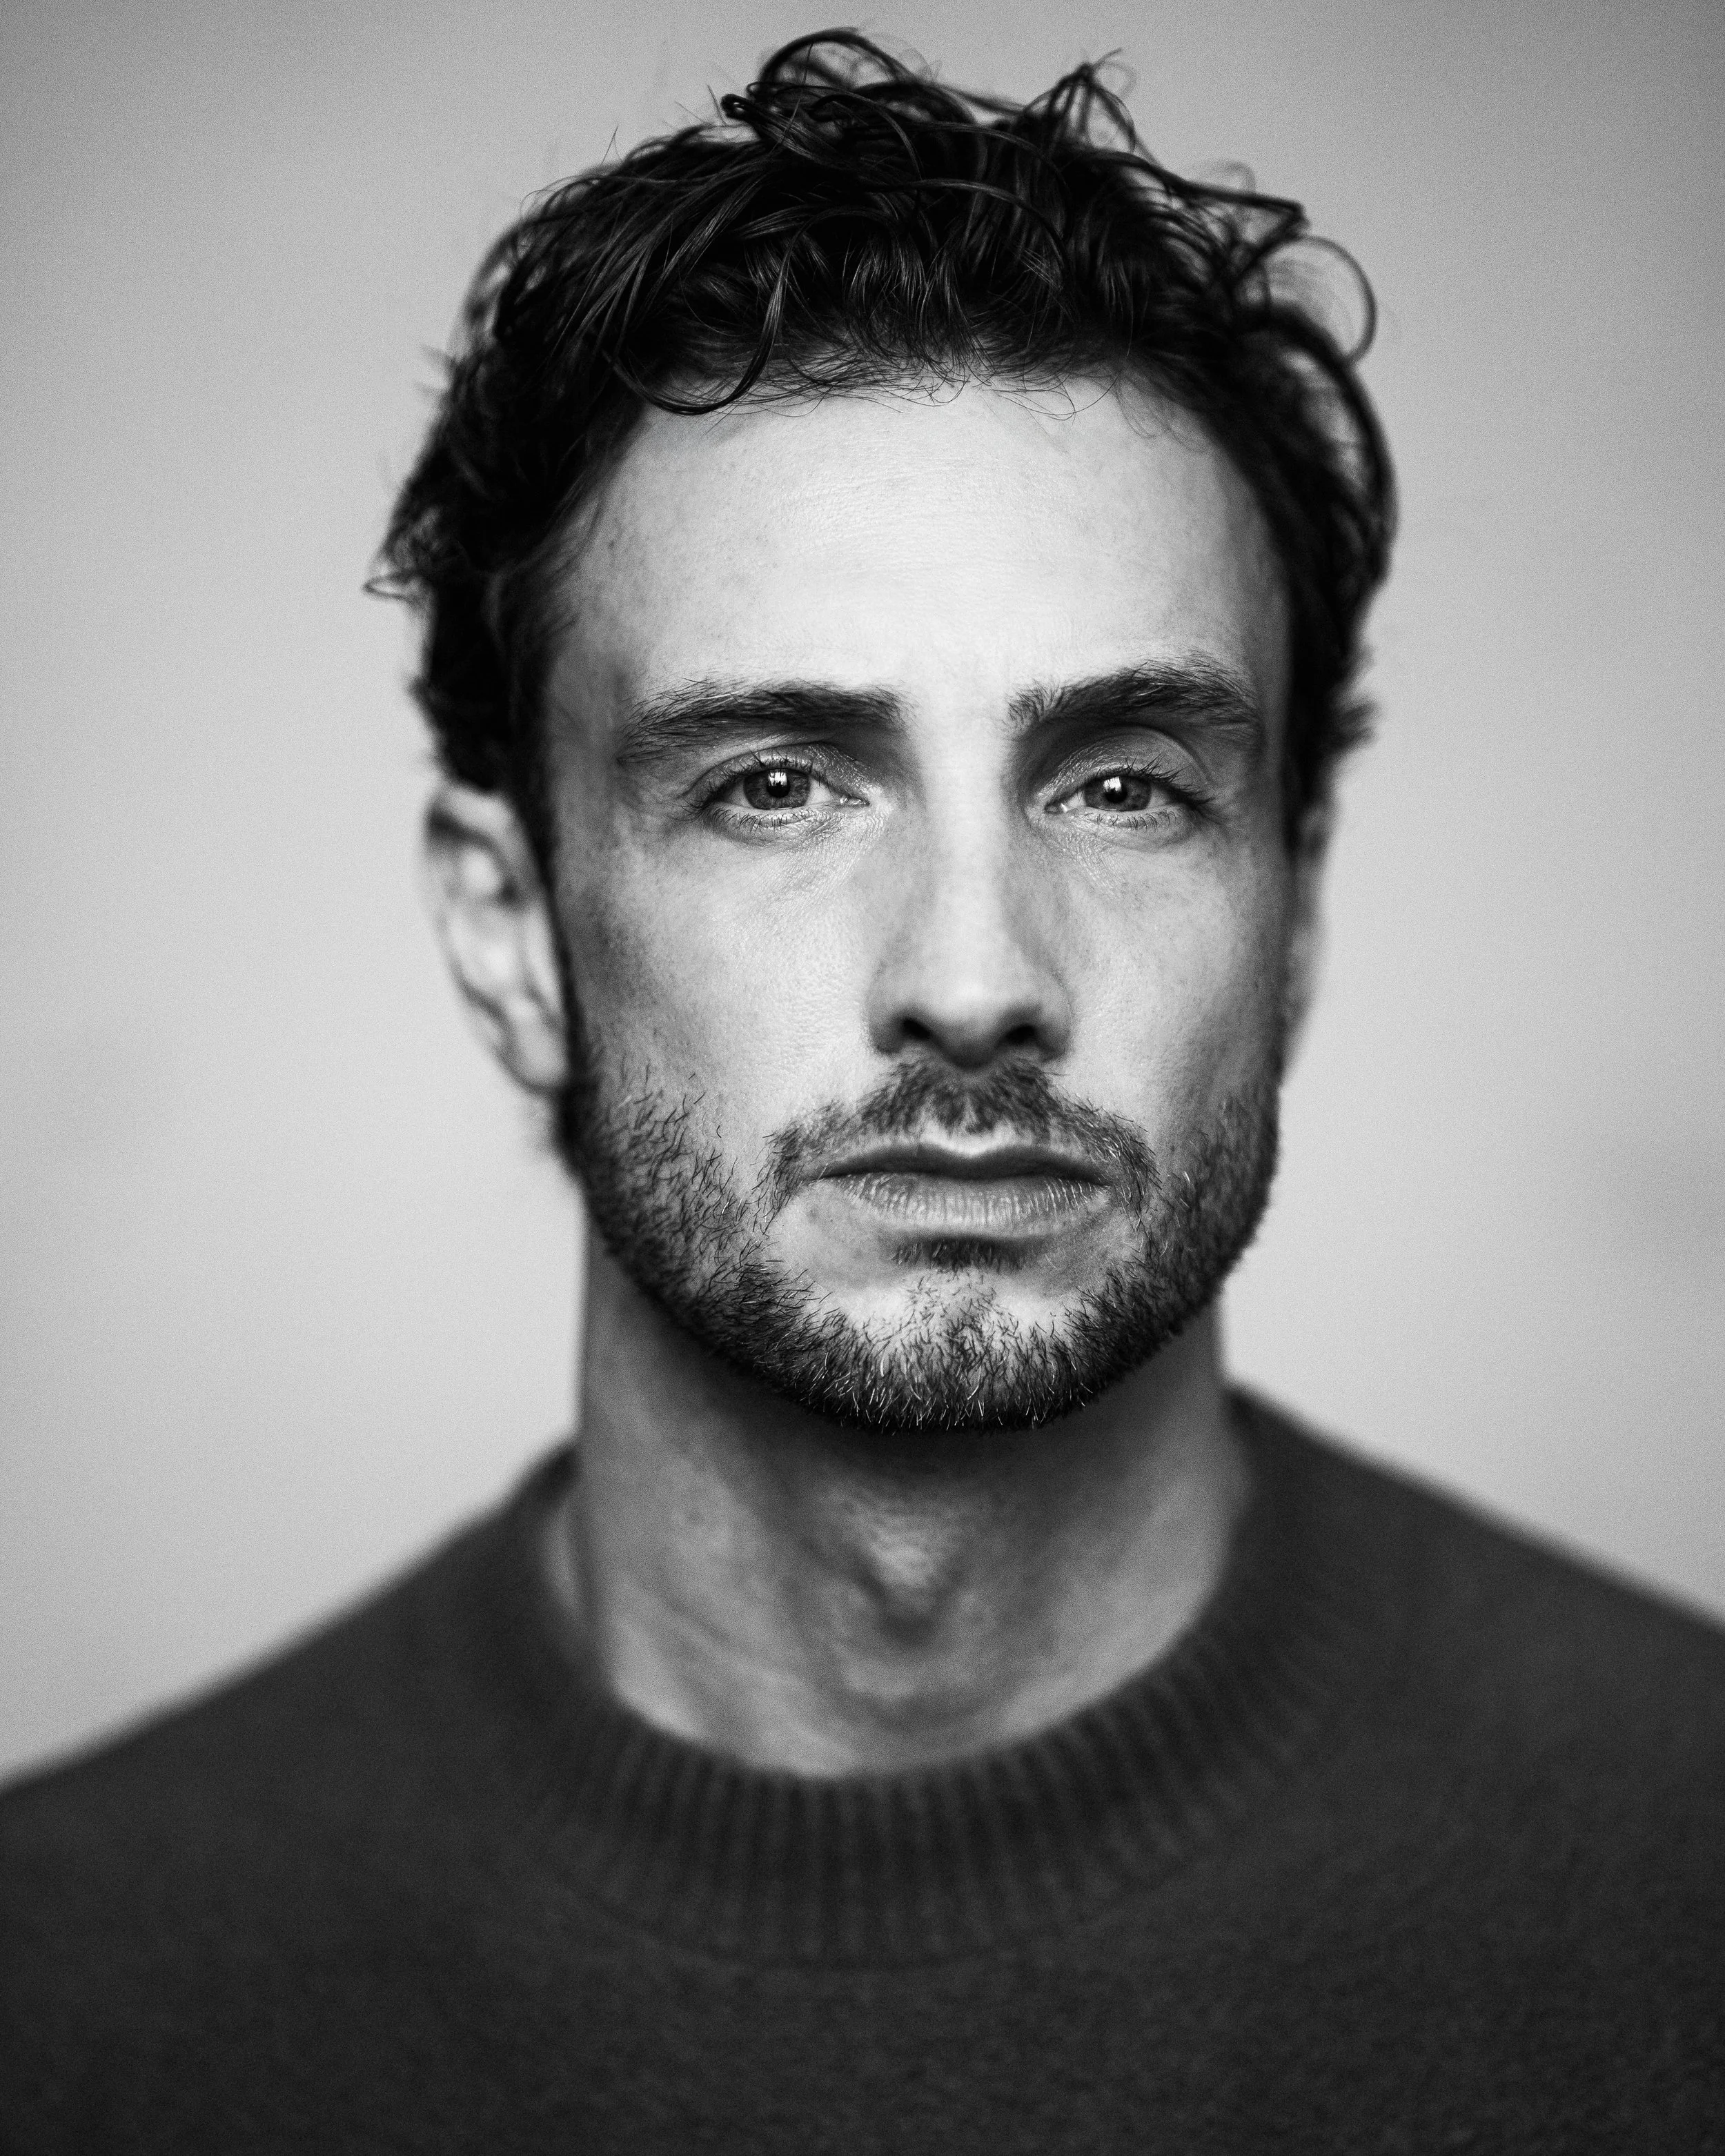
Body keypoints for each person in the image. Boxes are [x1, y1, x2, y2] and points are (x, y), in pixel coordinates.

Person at [3, 31, 1720, 2151]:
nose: (975, 982)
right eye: (773, 785)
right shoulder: (74, 1992)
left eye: (1121, 784)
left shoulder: (1684, 1880)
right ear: (508, 927)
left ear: (1293, 907)